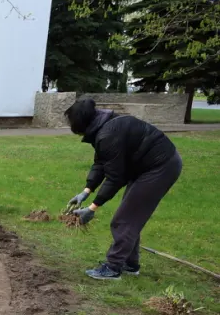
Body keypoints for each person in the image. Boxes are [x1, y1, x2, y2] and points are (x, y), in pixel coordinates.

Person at [64, 98, 182, 280]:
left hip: (160, 168)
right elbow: (101, 163)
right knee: (130, 218)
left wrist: (92, 208)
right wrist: (86, 191)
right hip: (146, 166)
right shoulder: (105, 126)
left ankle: (113, 268)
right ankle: (130, 264)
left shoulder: (108, 133)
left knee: (123, 220)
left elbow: (115, 177)